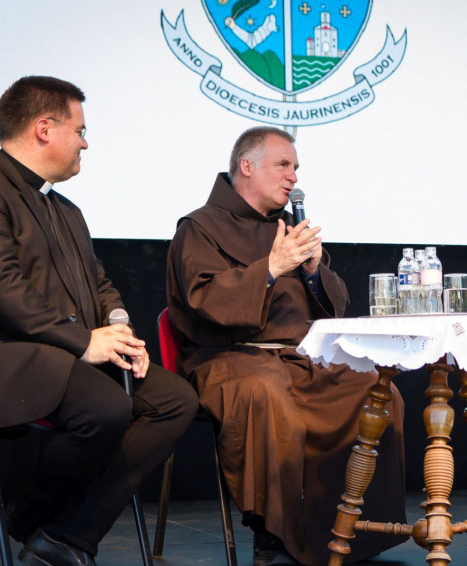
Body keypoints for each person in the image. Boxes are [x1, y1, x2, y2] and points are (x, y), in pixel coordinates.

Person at [0, 76, 198, 566]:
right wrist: (84, 341)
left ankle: (67, 536)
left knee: (176, 400)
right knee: (105, 408)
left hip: (54, 353)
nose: (86, 143)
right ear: (44, 128)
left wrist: (119, 328)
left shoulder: (67, 210)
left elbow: (100, 285)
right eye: (80, 130)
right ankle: (30, 519)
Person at [166, 126, 407, 566]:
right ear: (246, 166)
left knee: (377, 390)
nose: (293, 177)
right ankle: (273, 534)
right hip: (228, 357)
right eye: (283, 165)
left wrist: (314, 271)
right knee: (264, 395)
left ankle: (351, 527)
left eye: (295, 167)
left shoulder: (290, 228)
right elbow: (203, 302)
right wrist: (271, 267)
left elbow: (335, 306)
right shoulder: (199, 227)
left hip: (298, 357)